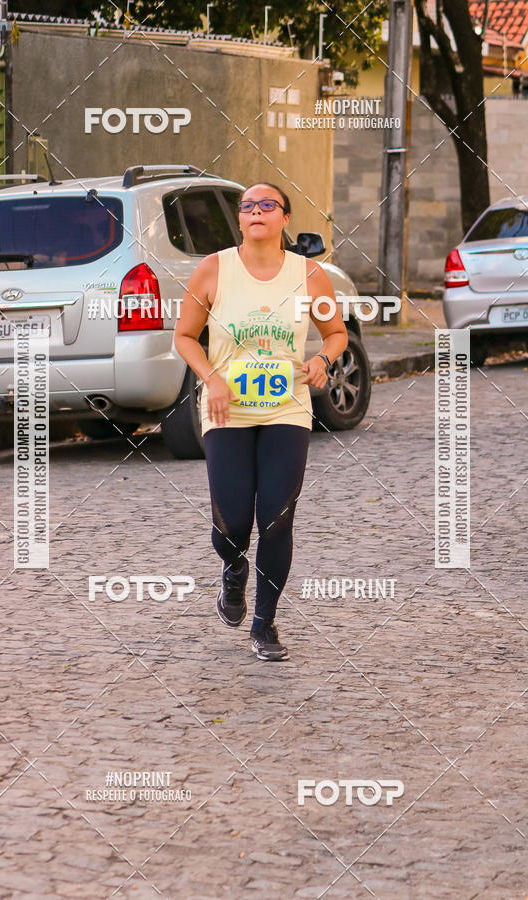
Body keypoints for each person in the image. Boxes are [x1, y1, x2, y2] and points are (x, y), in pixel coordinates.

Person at [174, 182, 348, 661]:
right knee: (231, 523)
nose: (255, 212)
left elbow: (335, 333)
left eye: (266, 205)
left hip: (286, 407)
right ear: (240, 219)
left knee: (276, 518)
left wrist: (322, 361)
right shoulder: (214, 268)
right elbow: (185, 336)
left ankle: (265, 623)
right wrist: (212, 378)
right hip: (226, 408)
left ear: (284, 219)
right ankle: (233, 569)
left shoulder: (309, 274)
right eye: (247, 206)